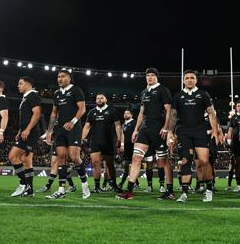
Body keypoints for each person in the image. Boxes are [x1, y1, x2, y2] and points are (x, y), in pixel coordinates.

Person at [117, 68, 174, 200]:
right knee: (136, 158)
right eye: (148, 75)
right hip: (145, 129)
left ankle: (170, 191)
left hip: (159, 128)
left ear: (157, 77)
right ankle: (129, 192)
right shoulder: (144, 92)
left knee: (163, 161)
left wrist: (166, 128)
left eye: (152, 75)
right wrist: (136, 129)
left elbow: (169, 110)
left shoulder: (162, 90)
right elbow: (141, 113)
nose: (149, 77)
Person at [169, 70, 221, 203]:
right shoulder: (178, 96)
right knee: (185, 162)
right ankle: (184, 193)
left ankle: (209, 190)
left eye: (192, 78)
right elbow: (173, 116)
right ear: (183, 81)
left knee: (204, 161)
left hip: (200, 131)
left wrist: (215, 130)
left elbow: (211, 113)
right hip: (184, 132)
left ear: (196, 80)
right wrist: (170, 131)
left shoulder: (203, 94)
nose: (189, 80)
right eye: (187, 78)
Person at [45, 70, 90, 199]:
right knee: (61, 158)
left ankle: (85, 186)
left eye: (63, 76)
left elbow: (82, 108)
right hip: (60, 129)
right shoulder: (57, 93)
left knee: (74, 156)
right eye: (58, 77)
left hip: (74, 128)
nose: (60, 79)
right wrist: (49, 131)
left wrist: (73, 121)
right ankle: (61, 190)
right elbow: (54, 113)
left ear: (69, 78)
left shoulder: (76, 90)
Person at [83, 93, 123, 193]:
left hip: (108, 141)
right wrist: (81, 138)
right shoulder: (92, 112)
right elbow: (87, 127)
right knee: (95, 163)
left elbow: (118, 125)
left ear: (105, 99)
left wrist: (119, 139)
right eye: (97, 98)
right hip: (95, 141)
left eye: (101, 98)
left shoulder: (112, 110)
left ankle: (113, 185)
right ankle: (97, 187)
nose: (99, 100)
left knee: (109, 164)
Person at [9, 76, 42, 197]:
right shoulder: (26, 97)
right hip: (26, 131)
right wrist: (20, 130)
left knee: (12, 156)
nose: (18, 85)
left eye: (20, 83)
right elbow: (26, 117)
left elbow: (37, 114)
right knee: (26, 161)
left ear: (27, 84)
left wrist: (27, 129)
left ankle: (23, 184)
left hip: (31, 132)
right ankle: (30, 191)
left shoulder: (32, 96)